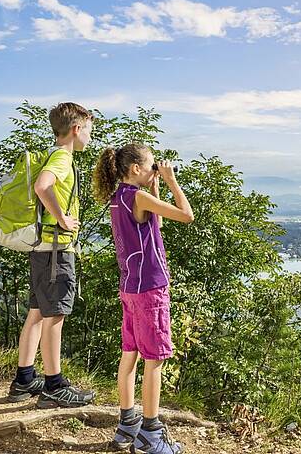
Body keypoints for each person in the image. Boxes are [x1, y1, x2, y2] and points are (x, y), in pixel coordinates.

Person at [92, 143, 194, 454]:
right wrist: (172, 180)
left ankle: (128, 424)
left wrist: (156, 185)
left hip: (130, 287)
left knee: (131, 353)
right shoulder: (137, 196)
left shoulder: (119, 197)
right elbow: (186, 216)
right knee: (155, 360)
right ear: (136, 169)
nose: (155, 170)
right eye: (151, 167)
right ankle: (151, 432)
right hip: (150, 287)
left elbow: (155, 223)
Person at [8, 102, 96, 408]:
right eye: (88, 130)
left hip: (43, 250)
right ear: (75, 129)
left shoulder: (54, 154)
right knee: (55, 315)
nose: (90, 137)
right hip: (56, 250)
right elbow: (42, 186)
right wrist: (62, 219)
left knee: (37, 312)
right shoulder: (62, 157)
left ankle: (24, 379)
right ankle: (54, 385)